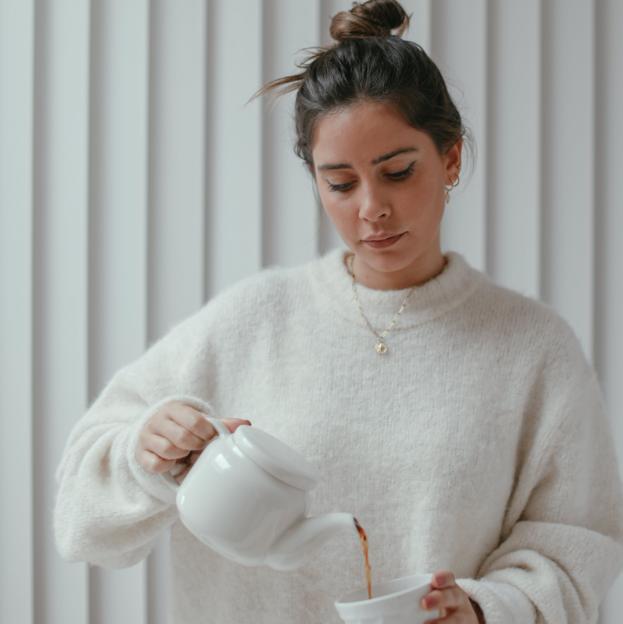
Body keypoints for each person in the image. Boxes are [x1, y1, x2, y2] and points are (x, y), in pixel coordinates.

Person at [53, 1, 623, 623]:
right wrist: (147, 451)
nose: (371, 208)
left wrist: (487, 610)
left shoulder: (534, 348)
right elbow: (81, 523)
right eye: (341, 183)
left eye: (398, 172)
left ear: (450, 158)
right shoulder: (254, 318)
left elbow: (578, 545)